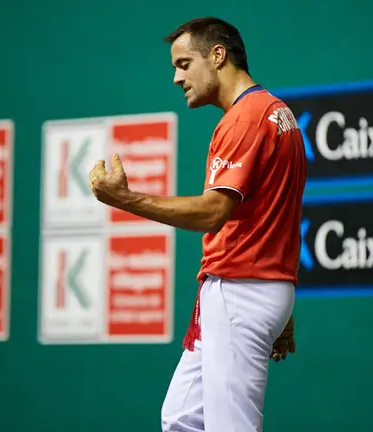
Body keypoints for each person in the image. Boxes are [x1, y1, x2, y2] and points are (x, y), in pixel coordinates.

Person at [87, 17, 307, 432]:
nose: (176, 77)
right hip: (256, 287)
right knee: (182, 418)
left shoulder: (245, 118)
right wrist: (281, 302)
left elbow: (212, 212)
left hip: (243, 289)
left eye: (184, 64)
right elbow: (279, 213)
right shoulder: (279, 114)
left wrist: (125, 200)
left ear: (218, 56)